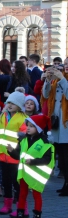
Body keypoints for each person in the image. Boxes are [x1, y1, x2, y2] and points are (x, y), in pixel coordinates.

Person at [0, 90, 28, 216]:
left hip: (16, 157)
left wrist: (20, 154)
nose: (9, 105)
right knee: (6, 182)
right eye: (8, 102)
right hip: (3, 157)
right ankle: (7, 205)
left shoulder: (23, 119)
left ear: (20, 106)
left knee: (18, 184)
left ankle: (22, 207)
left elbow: (26, 140)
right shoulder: (2, 117)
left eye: (13, 103)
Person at [7, 114, 54, 218]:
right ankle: (20, 212)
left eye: (31, 126)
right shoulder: (23, 140)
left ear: (38, 128)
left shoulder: (45, 143)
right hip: (24, 173)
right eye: (27, 125)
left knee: (36, 195)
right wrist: (11, 152)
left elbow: (47, 159)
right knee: (22, 194)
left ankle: (37, 214)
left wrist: (33, 161)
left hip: (36, 174)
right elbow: (19, 156)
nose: (28, 128)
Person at [42, 60, 68, 196]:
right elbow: (46, 95)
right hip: (57, 122)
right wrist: (47, 80)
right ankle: (65, 184)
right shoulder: (56, 81)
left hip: (66, 123)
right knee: (61, 157)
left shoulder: (62, 80)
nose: (66, 67)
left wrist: (62, 79)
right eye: (65, 64)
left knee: (66, 155)